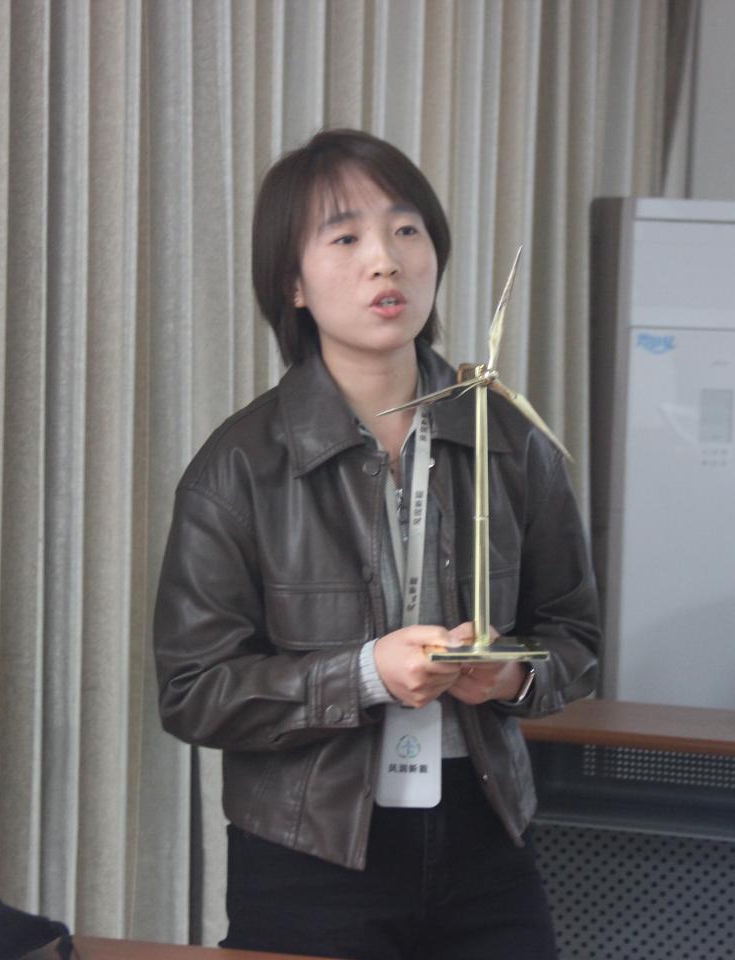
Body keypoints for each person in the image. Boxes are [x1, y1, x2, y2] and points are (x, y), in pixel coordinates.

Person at [153, 128, 600, 960]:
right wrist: (364, 675)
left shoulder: (511, 442)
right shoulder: (240, 466)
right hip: (310, 852)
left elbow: (576, 638)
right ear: (292, 282)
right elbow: (193, 690)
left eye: (405, 230)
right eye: (345, 238)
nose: (385, 261)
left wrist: (511, 675)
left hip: (486, 836)